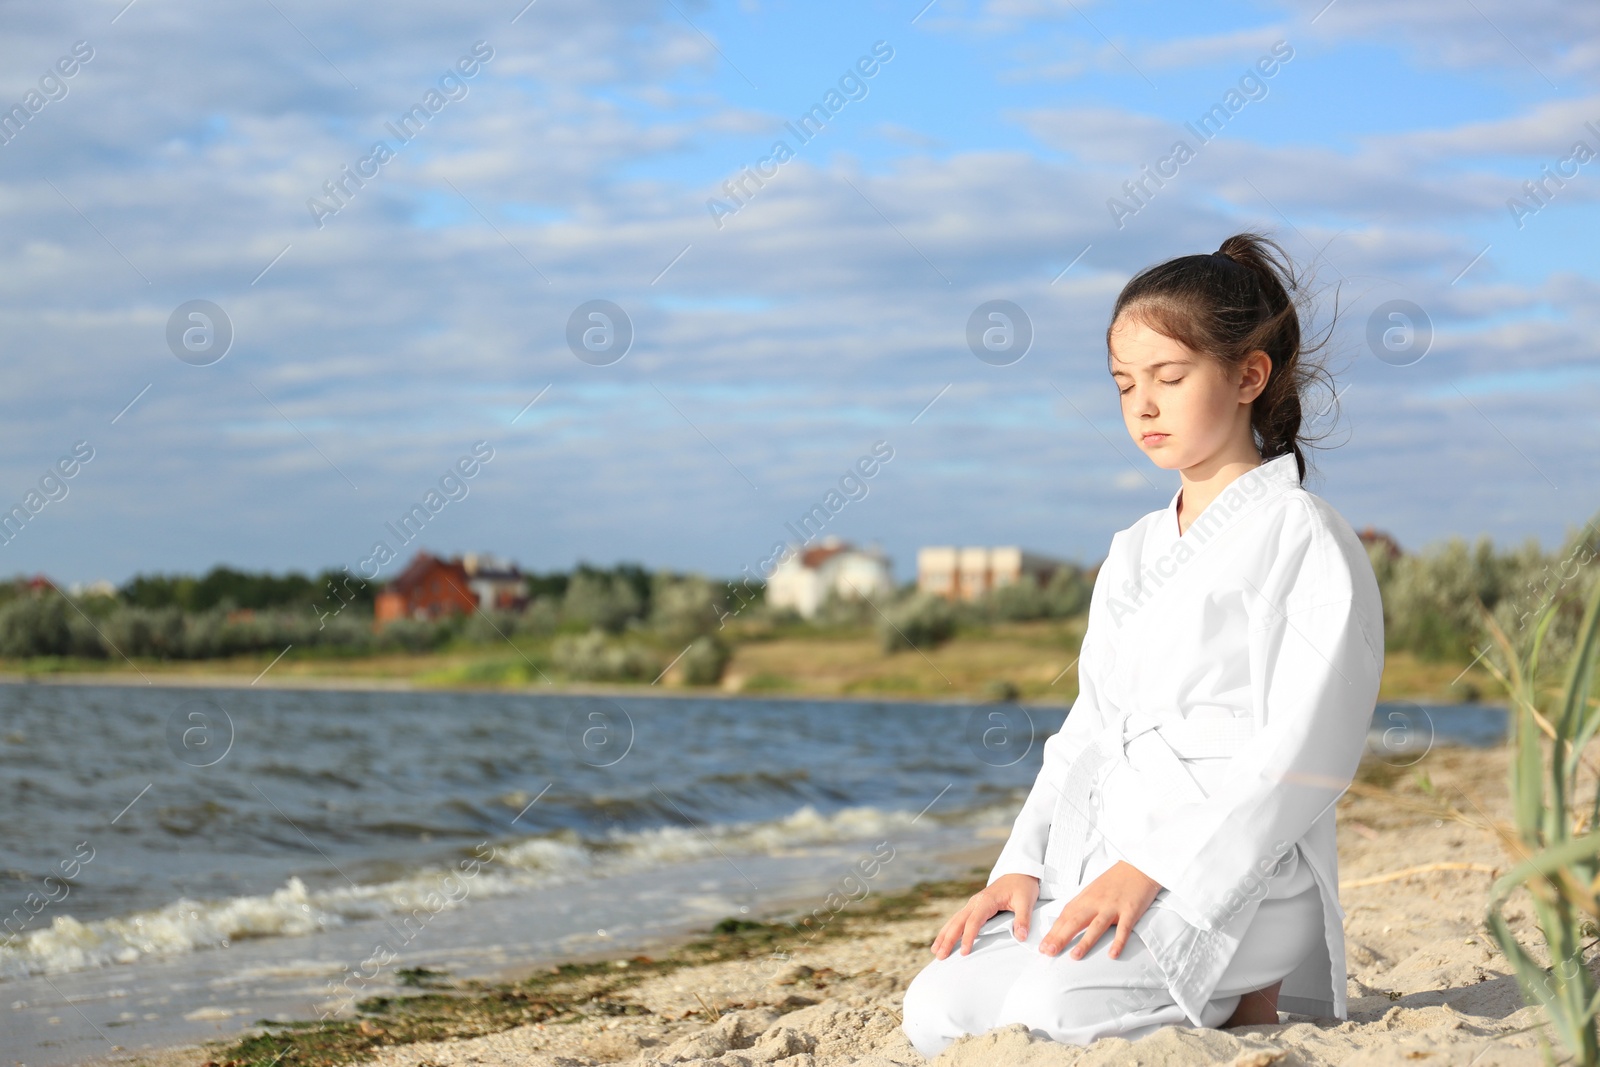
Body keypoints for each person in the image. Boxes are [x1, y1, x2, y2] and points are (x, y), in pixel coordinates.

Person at [900, 232, 1385, 1060]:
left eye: (1169, 377)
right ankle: (1217, 1000)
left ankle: (1243, 993)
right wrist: (1018, 864)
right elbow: (1089, 728)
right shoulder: (1132, 549)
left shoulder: (1302, 535)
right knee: (937, 1004)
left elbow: (1308, 752)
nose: (1143, 405)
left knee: (1055, 1006)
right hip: (1105, 863)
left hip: (1238, 872)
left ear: (1247, 376)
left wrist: (1156, 864)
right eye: (1126, 384)